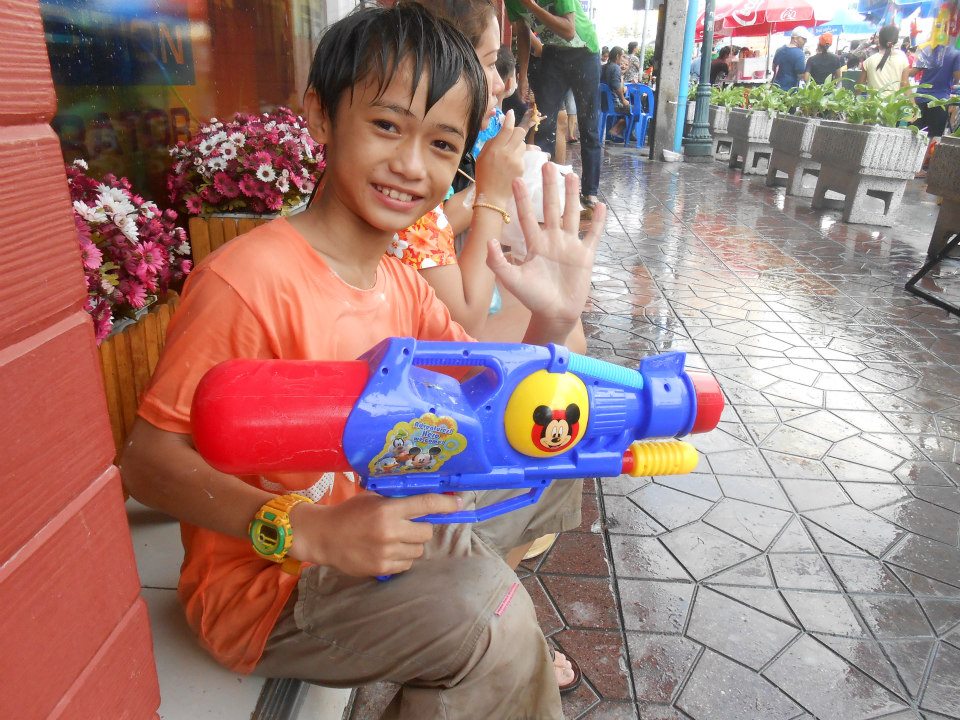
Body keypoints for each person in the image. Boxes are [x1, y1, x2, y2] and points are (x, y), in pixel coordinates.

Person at [120, 5, 607, 719]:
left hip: (383, 525)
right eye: (387, 126)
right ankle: (478, 624)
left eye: (442, 144)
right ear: (320, 115)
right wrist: (306, 528)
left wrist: (557, 318)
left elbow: (504, 405)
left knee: (562, 467)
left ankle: (467, 617)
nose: (412, 165)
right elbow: (146, 461)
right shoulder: (247, 282)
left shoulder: (402, 283)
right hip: (270, 590)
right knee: (492, 625)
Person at [509, 0, 603, 216]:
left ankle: (589, 193)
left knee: (589, 126)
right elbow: (523, 32)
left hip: (584, 51)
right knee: (543, 121)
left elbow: (569, 31)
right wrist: (522, 75)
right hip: (553, 54)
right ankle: (544, 189)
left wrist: (531, 5)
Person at [860, 25, 908, 94]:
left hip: (874, 104)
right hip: (895, 103)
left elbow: (859, 88)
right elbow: (905, 85)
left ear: (880, 39)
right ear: (896, 41)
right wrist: (914, 104)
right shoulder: (902, 58)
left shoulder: (868, 62)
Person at [601, 46, 631, 142]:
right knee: (635, 110)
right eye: (622, 56)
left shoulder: (604, 66)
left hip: (602, 102)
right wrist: (623, 100)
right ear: (617, 56)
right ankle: (617, 130)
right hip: (613, 104)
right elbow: (616, 86)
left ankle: (612, 133)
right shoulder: (615, 68)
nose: (623, 59)